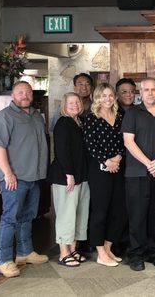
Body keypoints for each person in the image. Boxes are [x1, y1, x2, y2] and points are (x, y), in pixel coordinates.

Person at [0, 81, 49, 277]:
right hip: (14, 179)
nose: (25, 95)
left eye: (28, 92)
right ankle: (5, 260)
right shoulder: (4, 117)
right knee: (10, 219)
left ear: (32, 94)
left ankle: (25, 252)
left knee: (27, 216)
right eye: (20, 92)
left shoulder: (36, 116)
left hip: (34, 177)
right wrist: (8, 173)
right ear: (13, 95)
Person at [121, 78, 155, 271]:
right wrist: (148, 163)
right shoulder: (132, 113)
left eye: (154, 89)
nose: (150, 93)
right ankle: (136, 254)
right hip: (137, 173)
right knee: (137, 215)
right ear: (140, 93)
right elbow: (129, 142)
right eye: (146, 90)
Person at [83, 83, 127, 267]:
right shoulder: (90, 118)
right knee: (100, 211)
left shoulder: (120, 115)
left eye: (110, 95)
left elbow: (126, 140)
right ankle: (100, 251)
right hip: (99, 171)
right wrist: (106, 161)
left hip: (118, 168)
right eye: (103, 96)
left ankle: (108, 247)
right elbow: (90, 145)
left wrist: (117, 158)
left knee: (119, 210)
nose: (107, 99)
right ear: (97, 98)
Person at [49, 92, 90, 268]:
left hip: (82, 175)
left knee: (79, 214)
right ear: (64, 106)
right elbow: (62, 151)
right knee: (66, 214)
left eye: (77, 102)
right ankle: (63, 252)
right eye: (70, 102)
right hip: (66, 177)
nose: (74, 105)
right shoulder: (62, 123)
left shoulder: (79, 122)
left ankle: (73, 249)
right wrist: (69, 174)